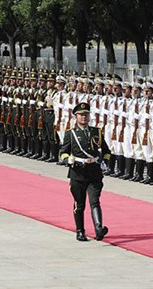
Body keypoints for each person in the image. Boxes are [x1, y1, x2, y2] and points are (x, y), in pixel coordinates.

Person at [59, 102, 111, 242]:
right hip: (78, 172)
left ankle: (99, 229)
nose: (84, 117)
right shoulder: (71, 134)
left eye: (86, 114)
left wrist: (105, 162)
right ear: (76, 117)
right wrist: (67, 160)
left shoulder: (96, 132)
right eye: (81, 115)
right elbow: (63, 152)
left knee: (95, 201)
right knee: (79, 204)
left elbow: (106, 151)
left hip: (94, 171)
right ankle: (80, 231)